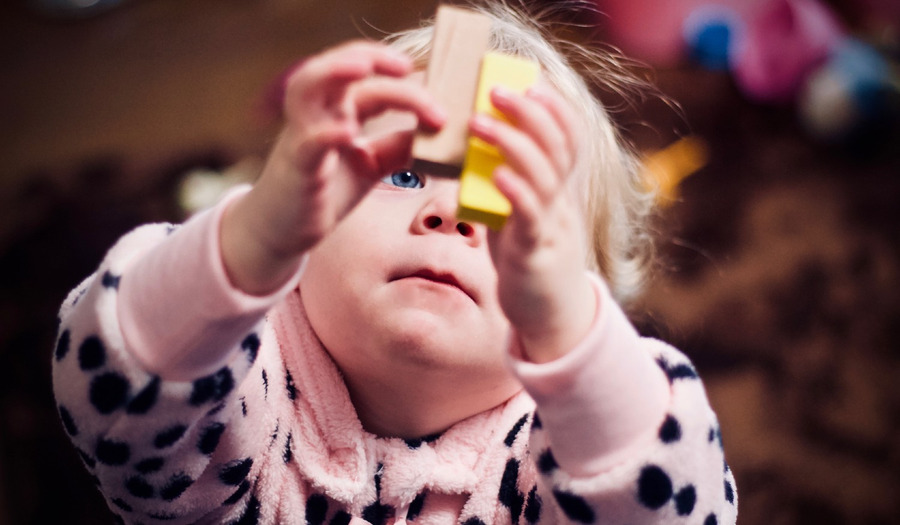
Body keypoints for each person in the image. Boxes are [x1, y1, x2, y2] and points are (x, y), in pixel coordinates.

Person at [52, 2, 738, 523]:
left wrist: (575, 343)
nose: (451, 213)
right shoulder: (240, 384)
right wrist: (252, 240)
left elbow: (670, 507)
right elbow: (115, 393)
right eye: (404, 175)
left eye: (509, 207)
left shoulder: (558, 455)